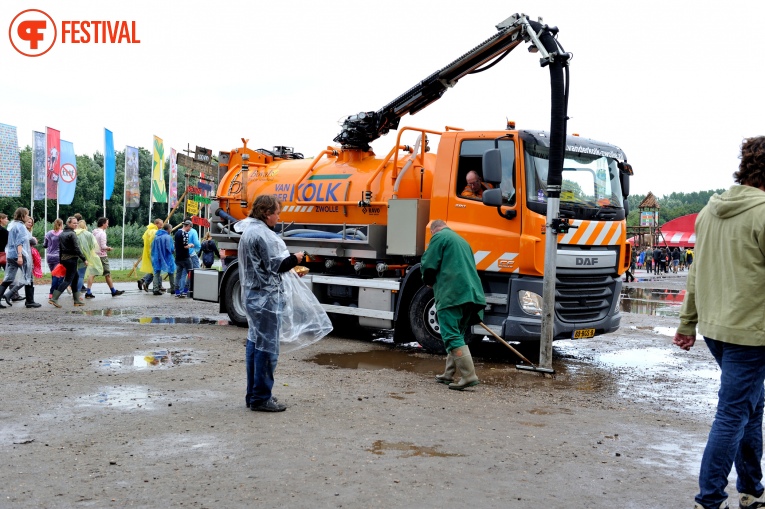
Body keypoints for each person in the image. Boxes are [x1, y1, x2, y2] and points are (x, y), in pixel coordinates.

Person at [673, 136, 765, 509]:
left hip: (717, 330)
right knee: (733, 413)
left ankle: (751, 489)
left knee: (750, 408)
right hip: (752, 332)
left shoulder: (708, 213)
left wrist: (687, 323)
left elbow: (696, 273)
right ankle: (709, 500)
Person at [240, 195, 304, 412]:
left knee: (255, 344)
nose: (279, 216)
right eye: (277, 212)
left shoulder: (250, 230)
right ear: (267, 213)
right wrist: (297, 258)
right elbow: (278, 265)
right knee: (267, 347)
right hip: (266, 299)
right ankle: (261, 397)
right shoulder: (264, 235)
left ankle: (254, 395)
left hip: (253, 296)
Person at [420, 219, 485, 390]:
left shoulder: (439, 237)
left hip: (452, 295)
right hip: (470, 295)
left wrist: (428, 280)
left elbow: (428, 264)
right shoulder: (462, 241)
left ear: (434, 231)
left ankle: (469, 376)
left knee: (451, 335)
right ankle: (448, 374)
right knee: (457, 335)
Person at [0, 208, 33, 309]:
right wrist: (20, 256)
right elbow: (19, 242)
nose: (28, 217)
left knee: (8, 278)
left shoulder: (12, 225)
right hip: (19, 255)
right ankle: (29, 301)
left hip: (10, 255)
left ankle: (8, 294)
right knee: (28, 277)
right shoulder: (21, 227)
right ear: (23, 216)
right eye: (27, 215)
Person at [84, 217, 124, 298]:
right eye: (107, 223)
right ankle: (113, 291)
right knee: (107, 274)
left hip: (94, 255)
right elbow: (103, 246)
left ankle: (88, 292)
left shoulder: (93, 232)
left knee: (92, 273)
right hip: (102, 256)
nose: (108, 225)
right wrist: (108, 248)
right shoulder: (102, 233)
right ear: (103, 224)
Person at [138, 218, 164, 292]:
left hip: (150, 252)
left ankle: (144, 281)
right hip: (154, 253)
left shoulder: (149, 230)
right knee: (157, 269)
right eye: (160, 224)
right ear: (156, 224)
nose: (162, 226)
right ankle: (152, 283)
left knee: (154, 269)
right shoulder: (154, 231)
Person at [150, 223, 175, 295]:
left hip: (157, 257)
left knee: (156, 272)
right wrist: (173, 250)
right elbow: (170, 248)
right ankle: (173, 288)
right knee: (171, 272)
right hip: (167, 257)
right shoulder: (168, 237)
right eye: (171, 228)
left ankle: (155, 289)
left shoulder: (156, 237)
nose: (171, 230)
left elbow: (153, 248)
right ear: (168, 229)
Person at [44, 218, 64, 299]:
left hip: (49, 256)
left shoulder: (48, 233)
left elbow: (45, 245)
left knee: (53, 274)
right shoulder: (62, 234)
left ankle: (53, 291)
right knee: (58, 275)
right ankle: (52, 292)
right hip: (58, 256)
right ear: (61, 225)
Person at [174, 220, 194, 298]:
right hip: (185, 257)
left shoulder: (177, 233)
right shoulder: (185, 233)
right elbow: (185, 246)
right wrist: (191, 245)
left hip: (178, 257)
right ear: (188, 225)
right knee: (190, 273)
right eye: (190, 227)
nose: (190, 229)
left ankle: (177, 292)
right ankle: (185, 291)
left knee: (178, 275)